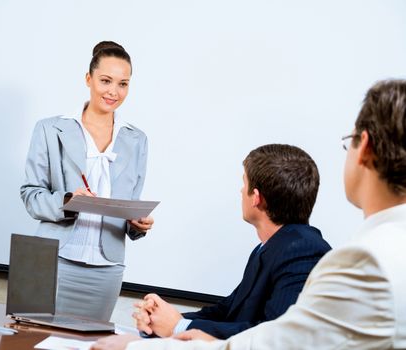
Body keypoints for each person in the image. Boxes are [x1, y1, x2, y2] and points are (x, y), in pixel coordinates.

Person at [93, 79, 406, 349]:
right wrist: (171, 320)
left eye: (348, 143)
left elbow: (272, 341)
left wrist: (167, 333)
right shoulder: (270, 249)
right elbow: (232, 311)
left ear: (364, 147)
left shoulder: (356, 259)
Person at [91, 143, 332, 349]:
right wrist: (161, 320)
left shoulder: (302, 251)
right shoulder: (273, 247)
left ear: (256, 197)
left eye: (244, 183)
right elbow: (228, 310)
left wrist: (177, 326)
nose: (240, 191)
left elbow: (271, 335)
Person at [20, 41, 153, 322]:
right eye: (106, 81)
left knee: (86, 345)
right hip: (45, 257)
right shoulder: (49, 128)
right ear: (88, 79)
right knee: (24, 341)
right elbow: (31, 195)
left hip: (106, 268)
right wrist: (69, 202)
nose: (113, 92)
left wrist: (136, 223)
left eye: (123, 84)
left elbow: (129, 204)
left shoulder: (137, 140)